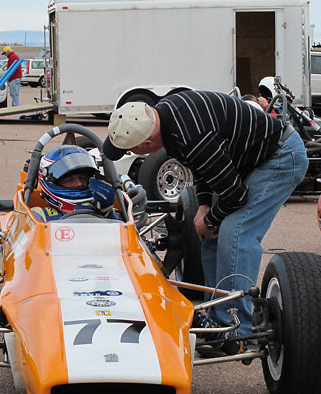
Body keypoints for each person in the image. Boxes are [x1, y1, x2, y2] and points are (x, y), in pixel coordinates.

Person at [102, 91, 309, 353]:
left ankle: (238, 330)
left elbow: (236, 194)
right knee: (209, 233)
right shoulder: (165, 116)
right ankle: (216, 320)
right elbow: (202, 167)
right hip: (244, 162)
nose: (130, 153)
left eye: (131, 149)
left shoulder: (191, 136)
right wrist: (202, 208)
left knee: (235, 232)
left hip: (279, 157)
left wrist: (211, 217)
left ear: (148, 142)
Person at [33, 145, 120, 222]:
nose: (79, 183)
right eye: (69, 180)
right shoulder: (40, 215)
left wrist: (108, 214)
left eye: (83, 178)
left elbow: (126, 233)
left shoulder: (112, 212)